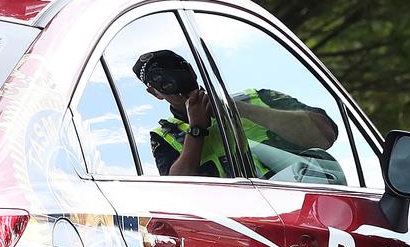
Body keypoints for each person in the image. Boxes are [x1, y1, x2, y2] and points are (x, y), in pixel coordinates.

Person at [132, 50, 338, 178]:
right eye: (160, 82)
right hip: (232, 230)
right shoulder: (164, 136)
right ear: (154, 93)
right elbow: (176, 191)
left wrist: (240, 110)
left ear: (191, 71)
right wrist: (197, 130)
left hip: (294, 211)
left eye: (176, 72)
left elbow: (326, 134)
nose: (172, 83)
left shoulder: (256, 97)